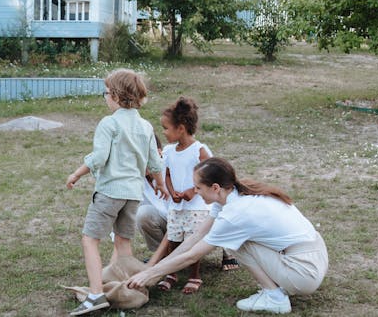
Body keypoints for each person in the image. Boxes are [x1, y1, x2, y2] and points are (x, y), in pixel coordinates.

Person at [127, 157, 328, 314]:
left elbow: (192, 255)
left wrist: (149, 274)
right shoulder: (233, 194)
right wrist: (153, 268)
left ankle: (274, 297)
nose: (195, 192)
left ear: (215, 188)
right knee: (237, 239)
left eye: (198, 187)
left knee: (237, 244)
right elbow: (196, 236)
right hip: (313, 256)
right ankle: (276, 289)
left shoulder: (235, 214)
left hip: (304, 271)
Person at [66, 69, 169, 316]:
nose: (104, 97)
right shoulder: (145, 126)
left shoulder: (109, 123)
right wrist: (161, 185)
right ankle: (130, 291)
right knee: (123, 243)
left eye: (105, 92)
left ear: (114, 95)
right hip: (133, 194)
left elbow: (100, 158)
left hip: (110, 191)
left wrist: (77, 173)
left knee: (90, 239)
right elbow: (154, 163)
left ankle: (95, 295)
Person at [155, 96, 213, 294]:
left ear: (180, 128)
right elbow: (168, 174)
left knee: (191, 241)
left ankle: (194, 274)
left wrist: (192, 191)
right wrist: (172, 193)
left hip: (196, 207)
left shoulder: (199, 151)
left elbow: (208, 177)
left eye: (166, 128)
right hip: (176, 206)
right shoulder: (170, 151)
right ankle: (172, 272)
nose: (163, 132)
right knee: (173, 239)